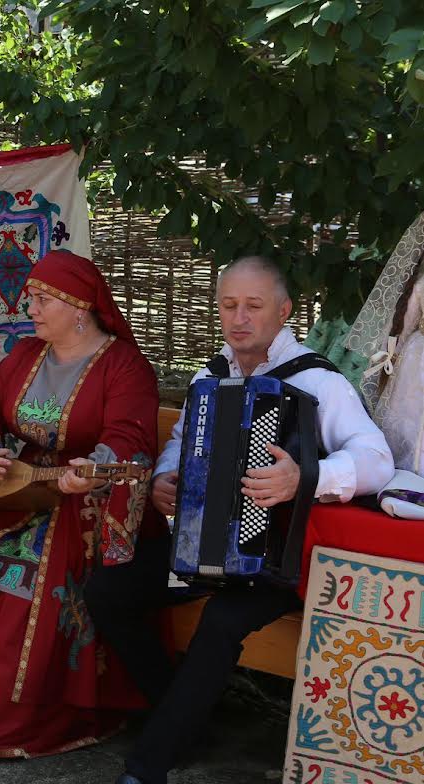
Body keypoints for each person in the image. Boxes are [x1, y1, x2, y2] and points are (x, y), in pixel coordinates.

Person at [84, 256, 395, 784]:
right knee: (109, 589)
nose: (239, 318)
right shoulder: (213, 375)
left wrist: (306, 477)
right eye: (229, 305)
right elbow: (183, 443)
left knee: (223, 620)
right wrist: (165, 478)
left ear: (283, 311)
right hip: (199, 551)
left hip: (275, 561)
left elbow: (377, 458)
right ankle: (183, 719)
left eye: (253, 306)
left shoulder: (317, 381)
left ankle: (151, 762)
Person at [0, 250, 161, 762]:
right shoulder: (26, 354)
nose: (32, 308)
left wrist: (87, 471)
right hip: (19, 490)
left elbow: (130, 444)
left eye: (43, 300)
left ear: (79, 306)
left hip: (86, 506)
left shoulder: (123, 366)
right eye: (32, 298)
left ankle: (10, 723)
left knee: (26, 578)